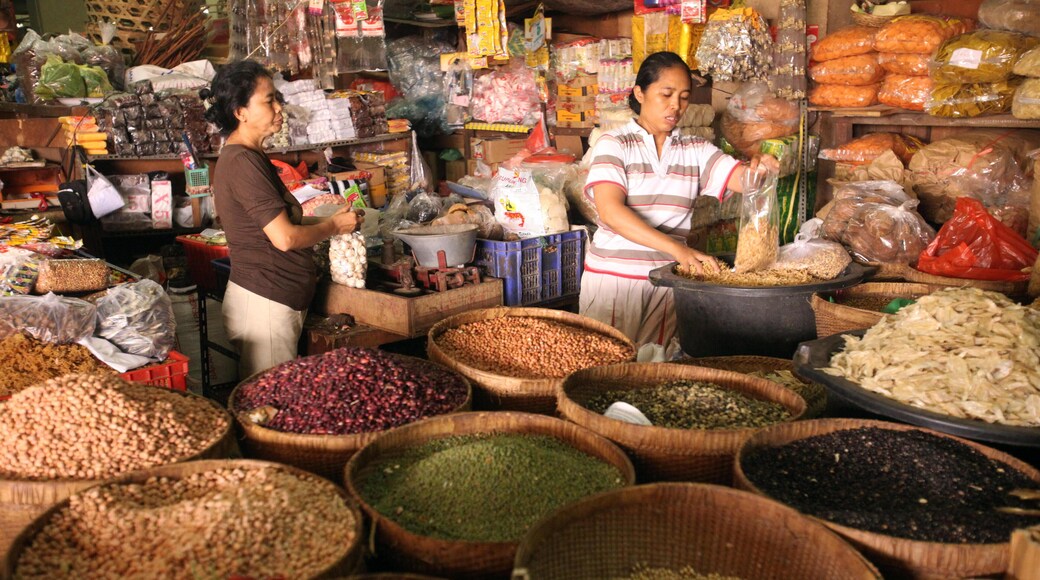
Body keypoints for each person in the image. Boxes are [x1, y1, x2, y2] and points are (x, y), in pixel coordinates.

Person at [580, 51, 779, 347]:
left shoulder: (694, 149)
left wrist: (760, 168)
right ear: (640, 93)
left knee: (654, 371)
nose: (676, 106)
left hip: (667, 283)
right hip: (615, 282)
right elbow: (610, 212)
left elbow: (740, 178)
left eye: (684, 97)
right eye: (666, 94)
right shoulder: (616, 144)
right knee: (603, 369)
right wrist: (678, 250)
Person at [201, 60, 363, 378]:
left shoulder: (248, 156)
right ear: (240, 112)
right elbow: (284, 238)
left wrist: (330, 222)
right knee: (271, 404)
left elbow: (278, 227)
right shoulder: (242, 162)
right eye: (269, 100)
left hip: (271, 299)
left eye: (278, 99)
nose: (279, 107)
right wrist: (332, 227)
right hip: (266, 303)